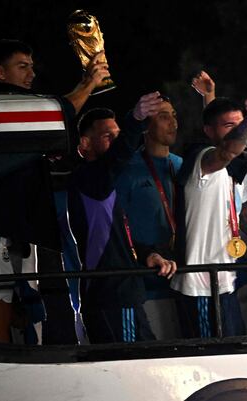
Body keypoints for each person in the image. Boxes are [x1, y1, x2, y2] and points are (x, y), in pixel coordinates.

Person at [0, 39, 108, 343]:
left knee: (21, 293)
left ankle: (21, 353)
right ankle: (2, 360)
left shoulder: (18, 104)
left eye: (32, 67)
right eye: (22, 66)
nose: (31, 73)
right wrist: (89, 83)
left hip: (19, 221)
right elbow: (53, 115)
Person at [68, 95, 177, 343]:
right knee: (134, 368)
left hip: (121, 294)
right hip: (113, 297)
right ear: (85, 144)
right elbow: (116, 157)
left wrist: (148, 254)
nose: (117, 142)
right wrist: (135, 120)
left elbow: (116, 238)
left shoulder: (108, 183)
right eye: (109, 136)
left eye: (119, 135)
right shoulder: (89, 177)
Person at [171, 93, 247, 337]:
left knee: (235, 353)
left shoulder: (236, 169)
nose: (240, 132)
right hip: (199, 286)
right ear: (208, 131)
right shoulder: (203, 160)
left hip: (225, 281)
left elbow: (245, 215)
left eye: (241, 125)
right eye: (230, 125)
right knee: (210, 359)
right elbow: (226, 150)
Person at [114, 96, 183, 338]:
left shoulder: (182, 165)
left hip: (183, 278)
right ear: (146, 126)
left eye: (174, 115)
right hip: (147, 282)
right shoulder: (127, 169)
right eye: (163, 116)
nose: (172, 122)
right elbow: (117, 228)